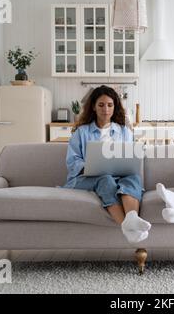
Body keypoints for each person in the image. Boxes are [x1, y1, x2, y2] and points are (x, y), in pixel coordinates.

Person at [63, 85, 150, 244]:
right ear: (94, 107)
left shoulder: (124, 132)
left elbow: (131, 157)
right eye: (101, 105)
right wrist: (91, 166)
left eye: (110, 105)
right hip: (85, 178)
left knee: (133, 178)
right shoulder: (81, 132)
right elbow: (72, 161)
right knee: (105, 178)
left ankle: (131, 219)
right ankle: (126, 227)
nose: (106, 109)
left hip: (119, 175)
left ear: (115, 107)